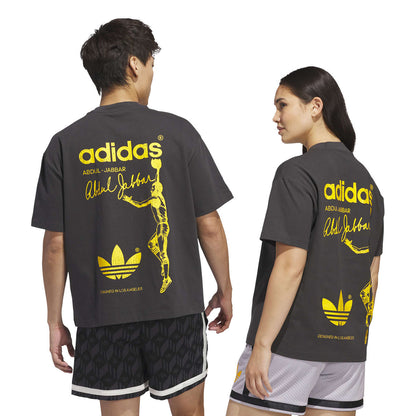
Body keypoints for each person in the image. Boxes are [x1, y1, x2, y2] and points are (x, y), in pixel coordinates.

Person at [31, 18, 233, 416]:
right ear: (134, 65)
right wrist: (224, 289)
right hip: (175, 308)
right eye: (152, 65)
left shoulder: (64, 144)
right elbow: (208, 225)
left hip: (102, 314)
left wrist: (54, 321)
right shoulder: (178, 133)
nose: (152, 75)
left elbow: (56, 244)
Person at [226, 67, 384, 416]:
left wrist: (262, 345)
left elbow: (289, 266)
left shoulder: (297, 173)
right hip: (347, 353)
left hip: (289, 345)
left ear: (315, 106)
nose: (275, 117)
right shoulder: (368, 184)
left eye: (282, 105)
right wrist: (351, 339)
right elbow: (371, 275)